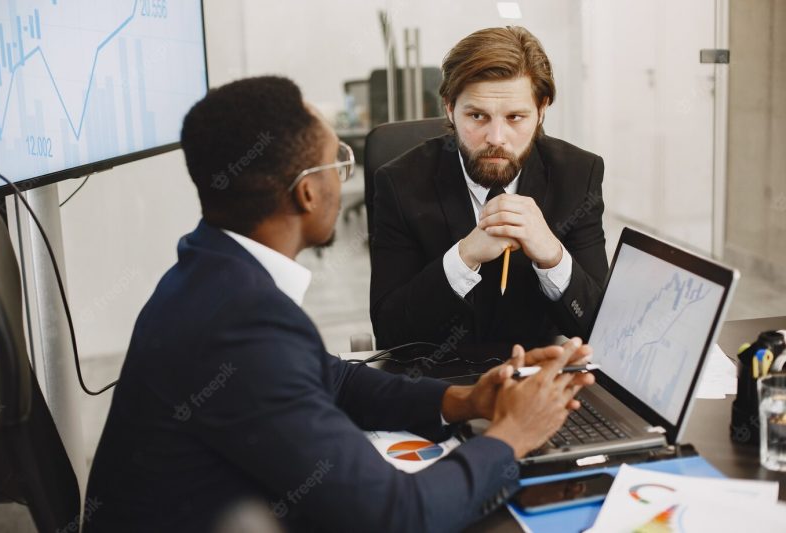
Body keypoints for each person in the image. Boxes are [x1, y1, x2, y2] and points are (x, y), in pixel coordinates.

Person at [83, 76, 595, 533]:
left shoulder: (210, 270)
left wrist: (465, 401)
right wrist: (511, 436)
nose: (345, 178)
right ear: (307, 193)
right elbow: (400, 515)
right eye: (339, 163)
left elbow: (334, 377)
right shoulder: (240, 325)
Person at [370, 26, 609, 353]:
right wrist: (464, 256)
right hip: (439, 383)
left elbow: (600, 328)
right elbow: (390, 331)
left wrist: (553, 255)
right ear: (450, 108)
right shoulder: (400, 182)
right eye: (478, 116)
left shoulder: (579, 175)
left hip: (539, 377)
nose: (496, 137)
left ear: (541, 110)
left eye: (515, 117)